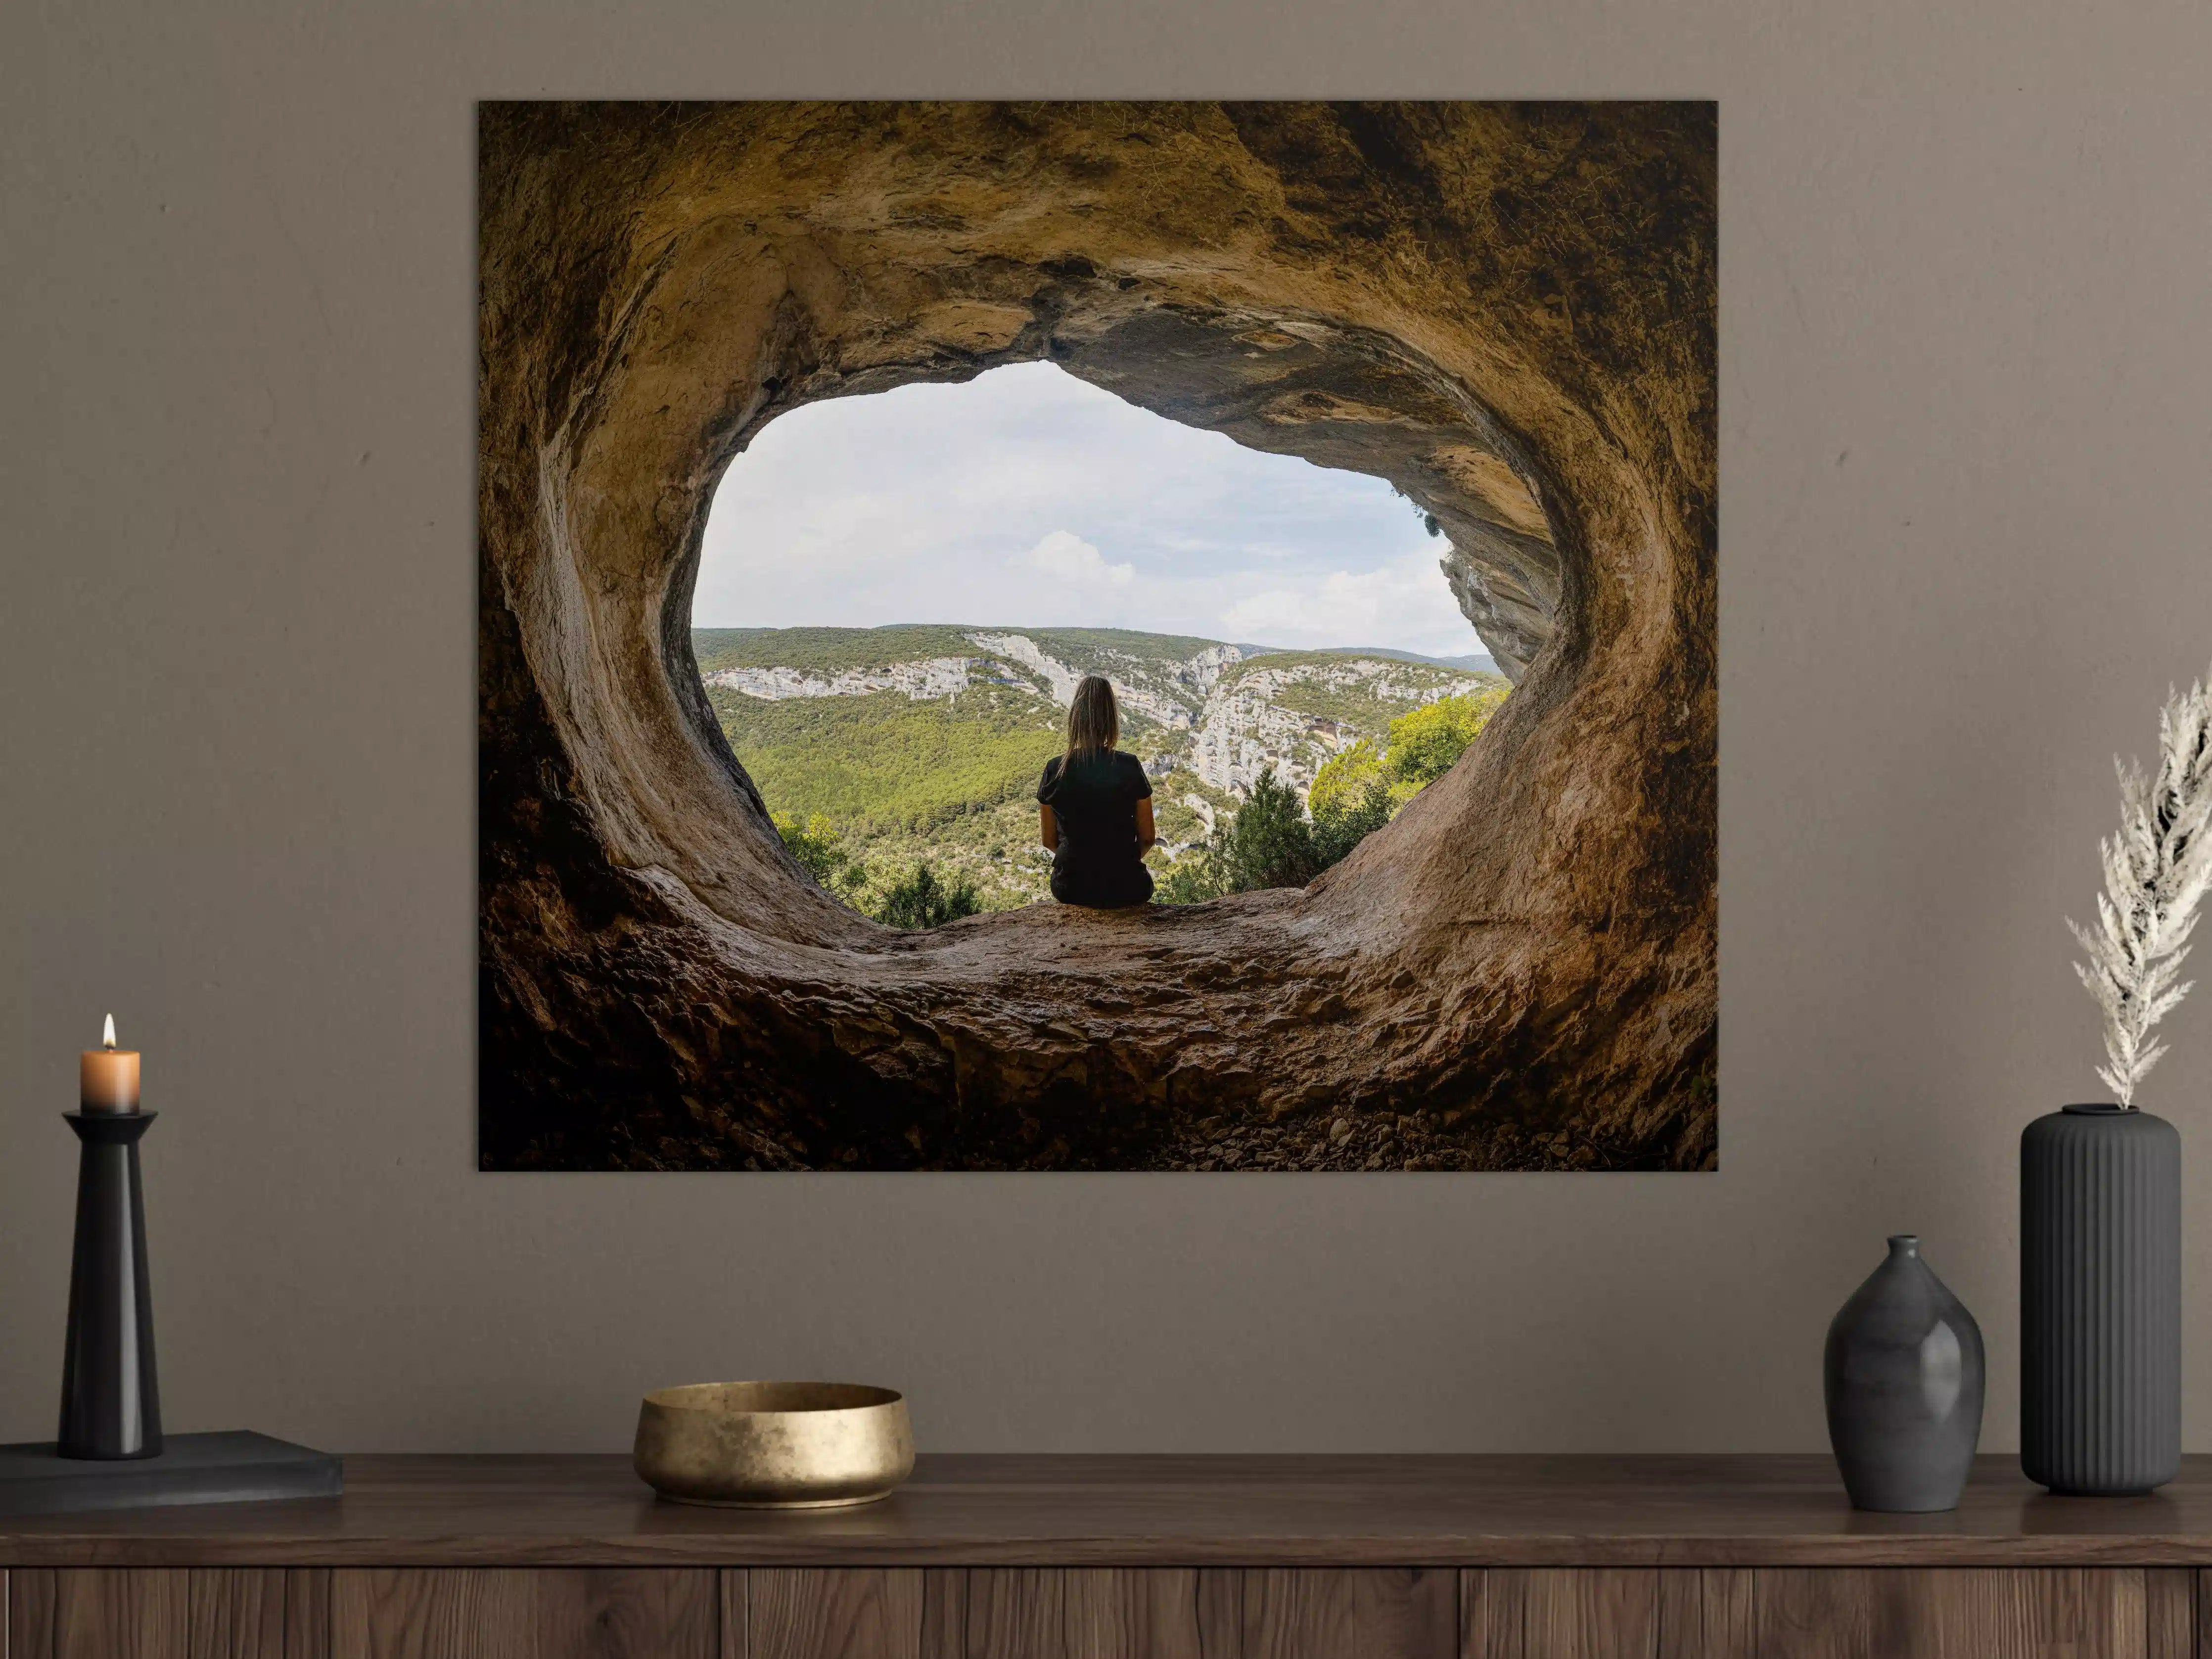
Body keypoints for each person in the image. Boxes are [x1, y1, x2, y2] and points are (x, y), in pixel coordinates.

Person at [1037, 675, 1155, 908]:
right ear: (1111, 719)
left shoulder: (1055, 769)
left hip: (1071, 887)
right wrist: (1117, 864)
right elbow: (1148, 839)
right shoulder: (1129, 766)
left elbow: (1049, 840)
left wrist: (1085, 863)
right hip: (1128, 886)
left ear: (1075, 718)